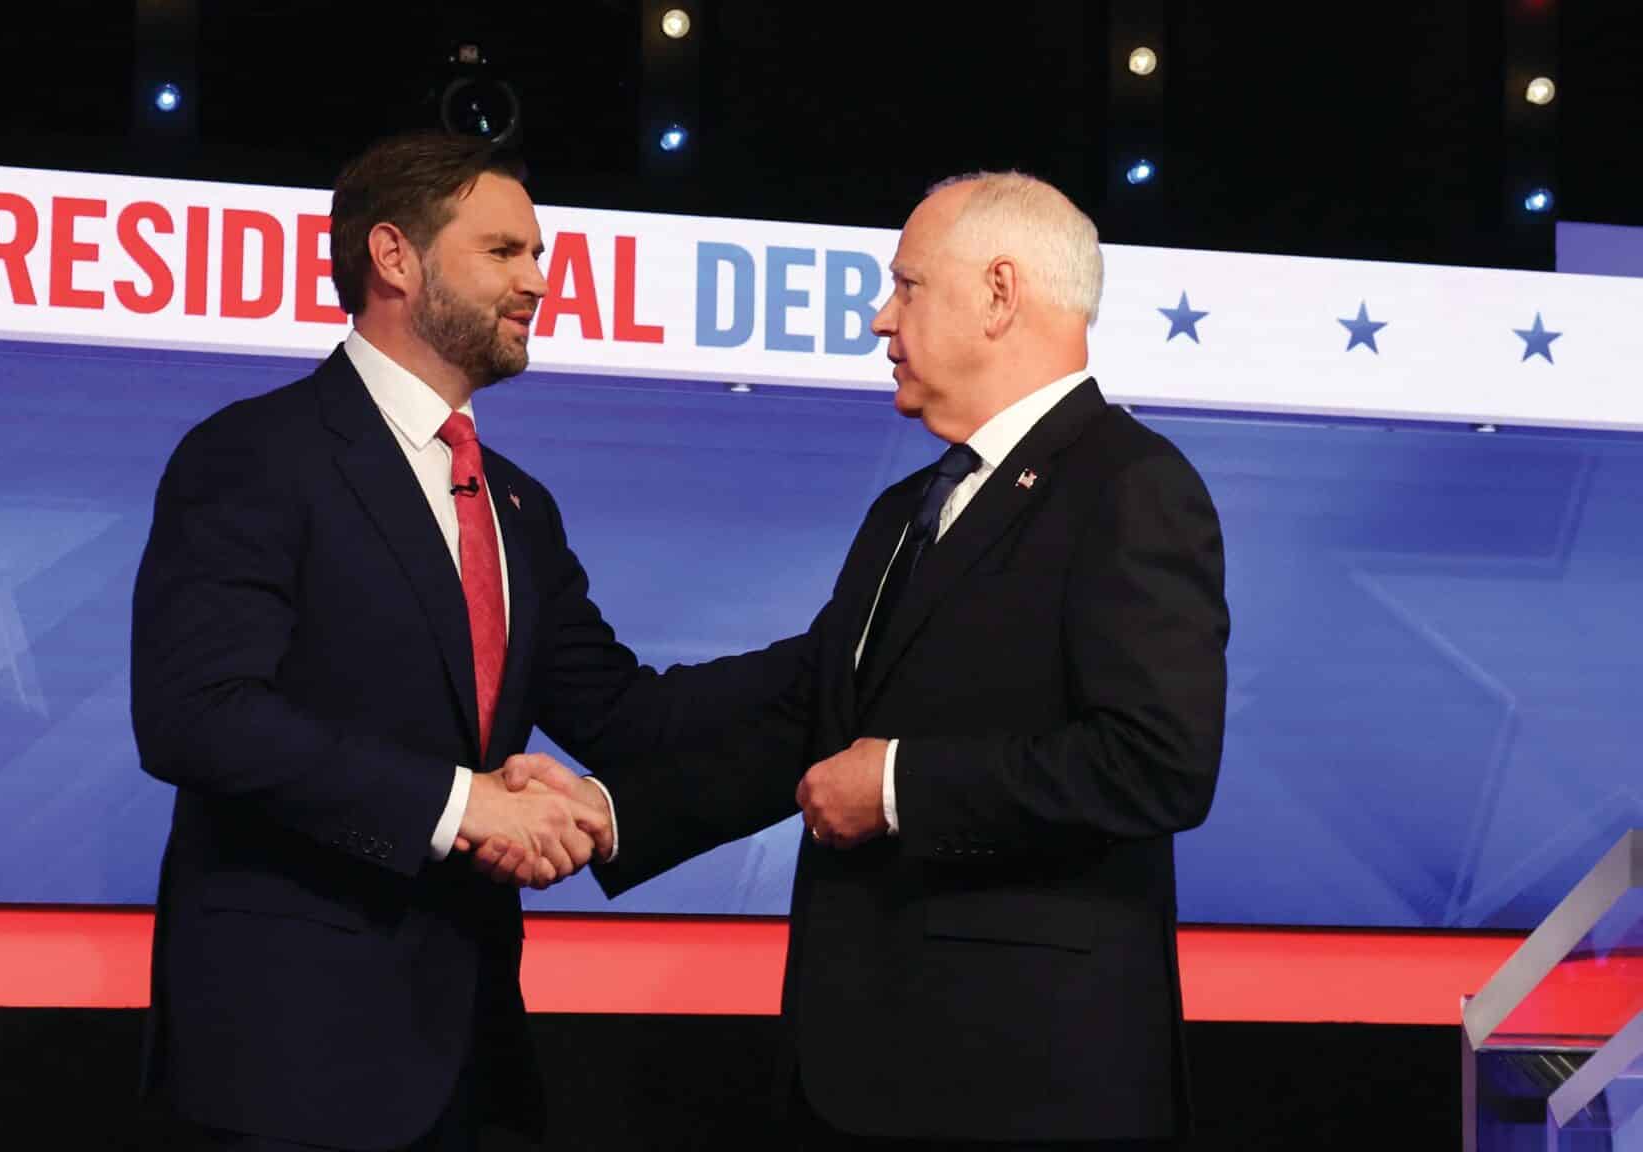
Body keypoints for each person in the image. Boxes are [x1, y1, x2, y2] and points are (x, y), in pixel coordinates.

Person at [527, 172, 1231, 1149]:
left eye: (906, 285)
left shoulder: (1130, 486)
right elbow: (813, 720)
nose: (878, 318)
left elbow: (1157, 764)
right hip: (862, 1070)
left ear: (998, 293)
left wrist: (899, 786)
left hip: (1027, 1083)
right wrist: (606, 813)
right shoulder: (906, 510)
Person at [129, 131, 678, 1150]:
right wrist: (462, 804)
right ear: (393, 257)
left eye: (538, 254)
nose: (537, 281)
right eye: (503, 252)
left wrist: (831, 669)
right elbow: (195, 716)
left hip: (472, 1054)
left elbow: (621, 711)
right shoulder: (252, 454)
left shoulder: (519, 504)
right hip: (285, 1059)